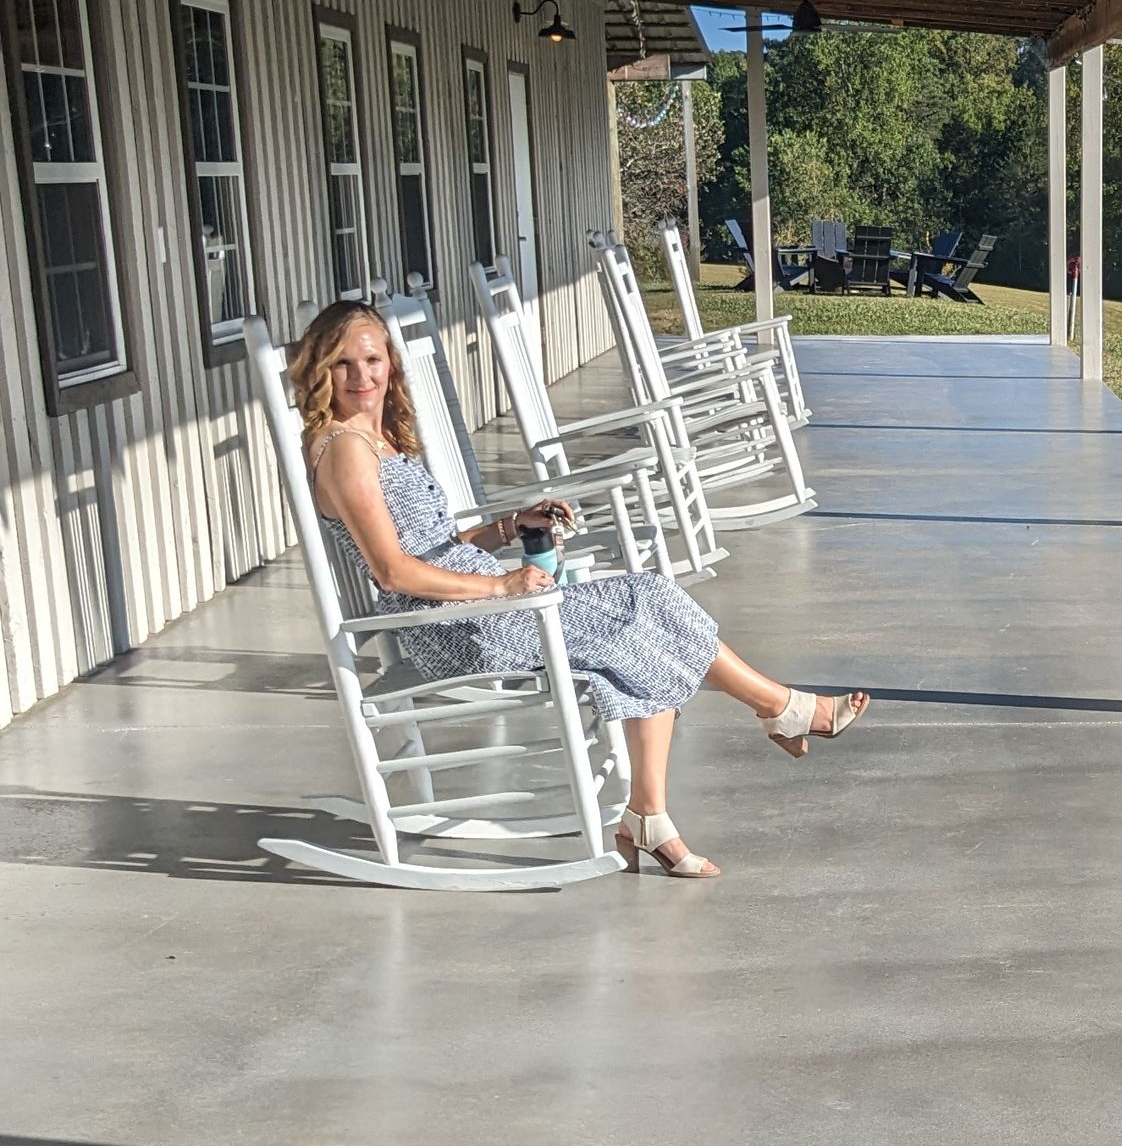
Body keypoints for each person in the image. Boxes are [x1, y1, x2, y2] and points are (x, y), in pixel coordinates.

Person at [294, 299, 866, 877]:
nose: (361, 376)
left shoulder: (379, 439)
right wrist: (502, 586)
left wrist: (513, 526)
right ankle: (781, 708)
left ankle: (650, 814)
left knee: (644, 631)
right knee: (647, 607)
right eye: (343, 364)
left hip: (474, 604)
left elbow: (436, 542)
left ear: (389, 361)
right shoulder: (345, 451)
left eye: (372, 359)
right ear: (322, 371)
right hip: (452, 628)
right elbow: (394, 572)